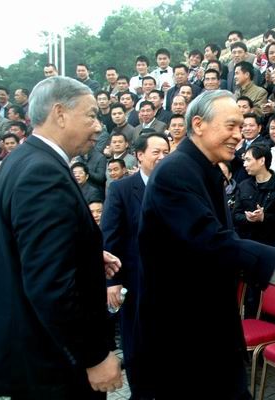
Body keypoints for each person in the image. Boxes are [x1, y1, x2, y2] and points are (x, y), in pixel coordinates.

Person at [137, 90, 275, 398]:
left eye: (241, 126)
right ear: (199, 124)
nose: (238, 135)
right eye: (230, 126)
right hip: (185, 331)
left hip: (211, 322)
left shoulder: (204, 169)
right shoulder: (176, 171)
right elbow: (210, 240)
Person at [0, 76, 123, 398]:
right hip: (55, 363)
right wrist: (94, 356)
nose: (98, 126)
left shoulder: (20, 160)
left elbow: (28, 247)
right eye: (91, 115)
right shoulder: (43, 173)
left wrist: (84, 254)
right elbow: (50, 285)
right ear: (60, 113)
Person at [102, 133, 170, 399]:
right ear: (140, 155)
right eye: (156, 152)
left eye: (166, 152)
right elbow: (111, 237)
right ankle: (140, 393)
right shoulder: (121, 189)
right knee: (136, 341)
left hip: (169, 281)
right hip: (134, 280)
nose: (162, 157)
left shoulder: (175, 187)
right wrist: (112, 281)